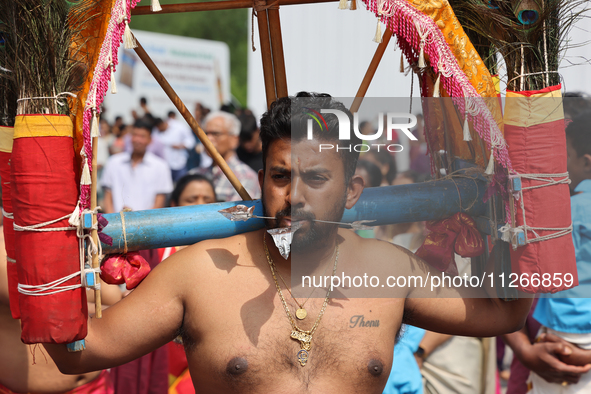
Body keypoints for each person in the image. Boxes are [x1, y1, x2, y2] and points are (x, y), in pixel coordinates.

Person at [45, 93, 532, 393]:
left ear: (352, 191)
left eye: (317, 178)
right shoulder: (197, 274)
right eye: (281, 177)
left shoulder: (391, 270)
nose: (295, 196)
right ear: (262, 180)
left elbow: (504, 314)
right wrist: (39, 243)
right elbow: (78, 351)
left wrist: (532, 204)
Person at [503, 111, 591, 393]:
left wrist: (527, 350)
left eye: (563, 157)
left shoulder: (557, 215)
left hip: (553, 334)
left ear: (585, 164)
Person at [0, 226, 122, 394]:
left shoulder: (81, 231)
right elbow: (44, 308)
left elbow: (111, 296)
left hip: (97, 386)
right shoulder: (4, 246)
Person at [101, 120, 173, 213]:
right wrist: (113, 223)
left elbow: (159, 202)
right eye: (135, 135)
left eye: (142, 136)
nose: (137, 140)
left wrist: (142, 223)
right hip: (117, 223)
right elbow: (108, 197)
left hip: (147, 224)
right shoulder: (114, 162)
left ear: (150, 140)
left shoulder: (160, 166)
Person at [189, 111, 260, 202]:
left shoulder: (244, 177)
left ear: (234, 140)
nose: (208, 139)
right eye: (205, 134)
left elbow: (238, 215)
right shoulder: (195, 174)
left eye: (216, 134)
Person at [152, 116, 196, 182]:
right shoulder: (155, 132)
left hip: (179, 164)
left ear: (163, 123)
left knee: (181, 186)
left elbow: (191, 141)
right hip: (165, 166)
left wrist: (180, 146)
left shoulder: (179, 127)